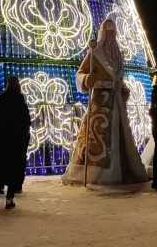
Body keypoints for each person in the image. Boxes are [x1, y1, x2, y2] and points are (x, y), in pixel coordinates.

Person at [62, 18, 146, 185]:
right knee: (98, 134)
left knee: (120, 135)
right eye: (109, 32)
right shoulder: (94, 53)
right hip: (100, 101)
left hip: (116, 100)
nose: (112, 35)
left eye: (114, 32)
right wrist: (87, 79)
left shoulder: (118, 55)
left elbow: (119, 77)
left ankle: (122, 170)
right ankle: (95, 173)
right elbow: (80, 73)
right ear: (103, 33)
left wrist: (122, 88)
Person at [0, 76, 32, 209]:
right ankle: (9, 199)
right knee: (13, 170)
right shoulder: (21, 103)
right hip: (15, 141)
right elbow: (26, 123)